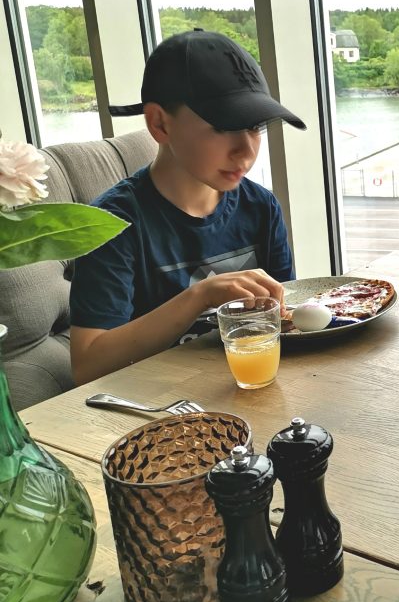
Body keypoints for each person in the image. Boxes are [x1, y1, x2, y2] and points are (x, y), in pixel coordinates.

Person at [70, 30, 307, 385]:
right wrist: (201, 295)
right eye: (223, 126)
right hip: (155, 411)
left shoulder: (260, 207)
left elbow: (282, 323)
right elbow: (87, 364)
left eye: (256, 126)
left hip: (246, 393)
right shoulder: (110, 224)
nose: (246, 150)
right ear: (159, 123)